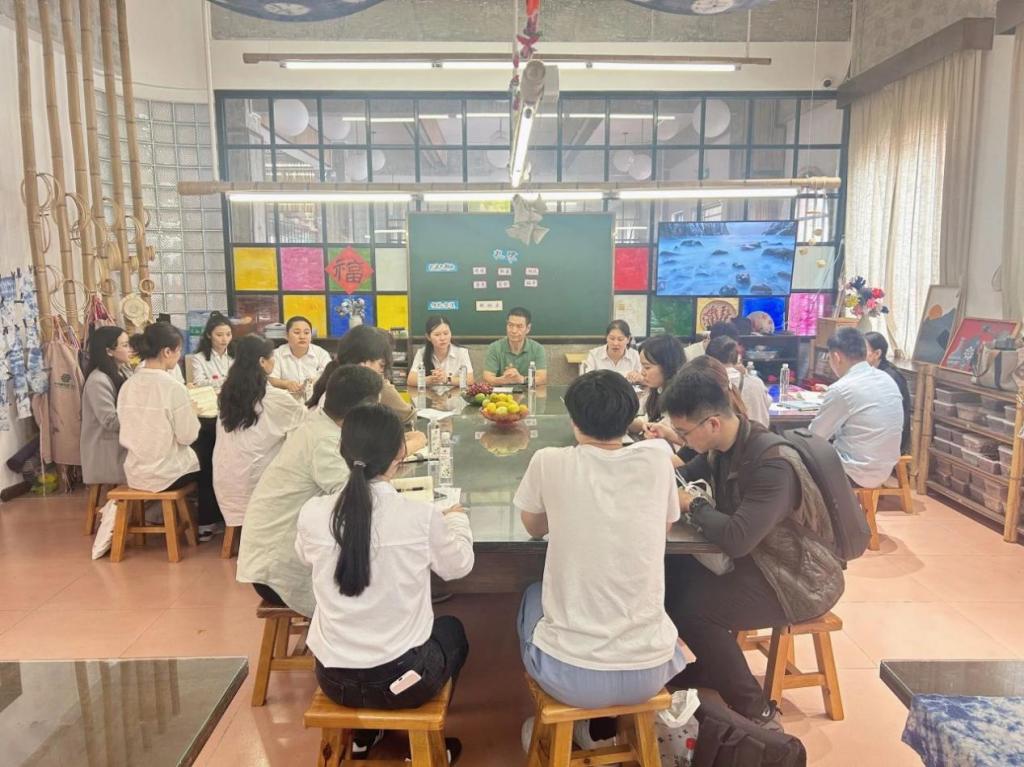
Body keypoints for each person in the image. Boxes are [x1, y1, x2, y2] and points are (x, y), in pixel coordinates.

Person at [662, 358, 845, 727]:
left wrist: (694, 504)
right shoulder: (723, 446)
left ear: (712, 423)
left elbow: (737, 539)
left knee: (693, 609)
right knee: (666, 575)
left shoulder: (771, 464)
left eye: (683, 432)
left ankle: (755, 708)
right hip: (762, 562)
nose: (682, 441)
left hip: (796, 579)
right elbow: (682, 474)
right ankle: (716, 666)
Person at [296, 403, 472, 759]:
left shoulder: (314, 513)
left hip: (333, 680)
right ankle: (428, 750)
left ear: (343, 451)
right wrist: (456, 520)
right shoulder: (420, 516)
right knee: (453, 631)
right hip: (404, 681)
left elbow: (305, 556)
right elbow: (458, 567)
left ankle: (364, 735)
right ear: (401, 453)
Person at [516, 370, 685, 713]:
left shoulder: (549, 460)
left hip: (568, 674)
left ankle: (552, 731)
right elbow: (665, 527)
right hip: (651, 669)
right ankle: (597, 731)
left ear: (573, 420)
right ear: (630, 418)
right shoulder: (657, 460)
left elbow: (533, 526)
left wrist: (564, 508)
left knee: (533, 594)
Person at [237, 365, 384, 617]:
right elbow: (359, 499)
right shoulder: (325, 441)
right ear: (361, 411)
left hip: (277, 555)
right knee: (385, 583)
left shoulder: (322, 425)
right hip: (279, 572)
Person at [118, 323, 218, 540]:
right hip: (166, 474)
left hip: (135, 471)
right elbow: (187, 436)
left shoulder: (128, 385)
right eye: (178, 350)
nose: (179, 356)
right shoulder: (172, 387)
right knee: (210, 458)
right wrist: (191, 412)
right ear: (166, 352)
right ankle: (206, 523)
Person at [213, 335, 306, 530]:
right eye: (272, 357)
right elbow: (305, 423)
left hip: (226, 481)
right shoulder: (274, 397)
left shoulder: (227, 393)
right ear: (262, 362)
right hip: (256, 484)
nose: (274, 361)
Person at [809, 328, 904, 488]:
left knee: (794, 452)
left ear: (836, 357)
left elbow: (815, 437)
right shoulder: (886, 378)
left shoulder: (842, 388)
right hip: (885, 468)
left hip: (852, 471)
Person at [308, 325, 420, 431]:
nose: (381, 372)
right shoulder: (370, 389)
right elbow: (408, 417)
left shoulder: (334, 380)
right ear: (364, 364)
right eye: (381, 365)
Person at [80, 326, 132, 487]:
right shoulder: (98, 381)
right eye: (125, 345)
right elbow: (110, 422)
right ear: (109, 351)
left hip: (123, 443)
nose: (130, 349)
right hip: (108, 451)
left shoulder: (124, 371)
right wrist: (140, 417)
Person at [705, 336, 771, 428]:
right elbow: (768, 402)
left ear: (707, 360)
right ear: (737, 358)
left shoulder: (707, 386)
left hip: (731, 437)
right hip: (761, 435)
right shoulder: (757, 383)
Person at [865, 331, 912, 455]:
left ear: (877, 354)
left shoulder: (889, 376)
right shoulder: (873, 370)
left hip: (892, 438)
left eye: (864, 350)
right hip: (878, 430)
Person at [630, 333, 685, 433]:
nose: (642, 372)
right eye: (642, 366)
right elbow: (649, 420)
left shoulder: (681, 397)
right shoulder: (658, 390)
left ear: (667, 366)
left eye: (647, 367)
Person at [483, 307, 548, 386]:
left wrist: (521, 379)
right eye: (510, 325)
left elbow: (542, 378)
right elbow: (487, 378)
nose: (514, 331)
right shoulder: (494, 347)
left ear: (528, 328)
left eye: (519, 326)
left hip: (529, 392)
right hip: (501, 392)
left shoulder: (538, 349)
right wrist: (504, 380)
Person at [406, 315, 474, 389]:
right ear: (428, 337)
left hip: (455, 395)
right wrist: (429, 379)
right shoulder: (421, 353)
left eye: (446, 333)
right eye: (437, 335)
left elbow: (470, 380)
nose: (442, 338)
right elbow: (410, 380)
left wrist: (447, 379)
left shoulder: (462, 352)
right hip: (430, 395)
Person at [270, 316, 332, 396]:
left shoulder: (321, 354)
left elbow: (330, 375)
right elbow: (271, 379)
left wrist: (314, 382)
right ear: (286, 335)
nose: (302, 337)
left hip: (315, 398)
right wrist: (286, 384)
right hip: (286, 399)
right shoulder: (276, 354)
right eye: (297, 332)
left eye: (306, 333)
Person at [190, 312, 234, 388]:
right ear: (209, 335)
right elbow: (198, 383)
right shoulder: (198, 358)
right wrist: (228, 381)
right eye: (219, 335)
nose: (225, 339)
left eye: (228, 334)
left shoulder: (238, 355)